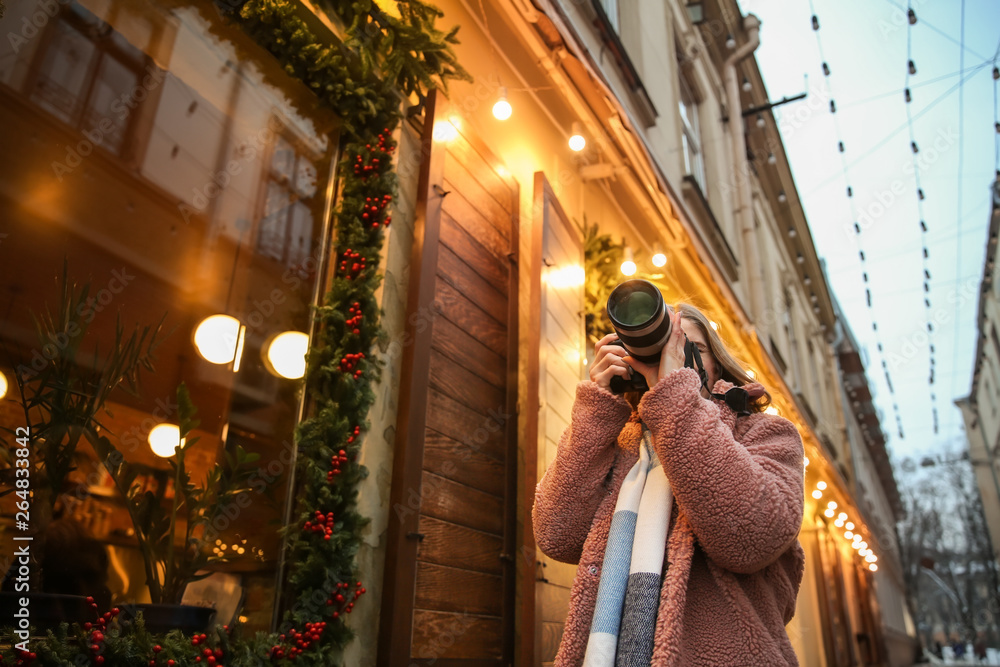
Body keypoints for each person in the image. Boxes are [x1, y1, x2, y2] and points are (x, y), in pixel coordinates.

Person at [532, 303, 806, 666]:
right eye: (664, 346)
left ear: (717, 366)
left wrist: (676, 399)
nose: (671, 356)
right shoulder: (622, 445)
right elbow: (556, 534)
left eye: (689, 346)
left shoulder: (763, 433)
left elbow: (751, 537)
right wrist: (598, 408)